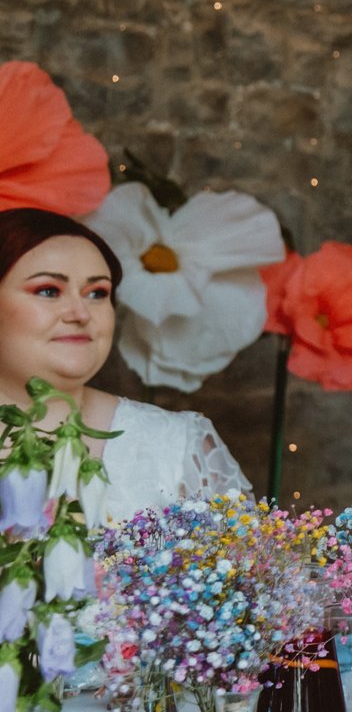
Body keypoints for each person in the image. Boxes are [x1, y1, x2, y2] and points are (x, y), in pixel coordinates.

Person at [0, 206, 251, 520]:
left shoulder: (176, 448)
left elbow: (247, 566)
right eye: (49, 290)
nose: (81, 313)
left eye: (97, 293)